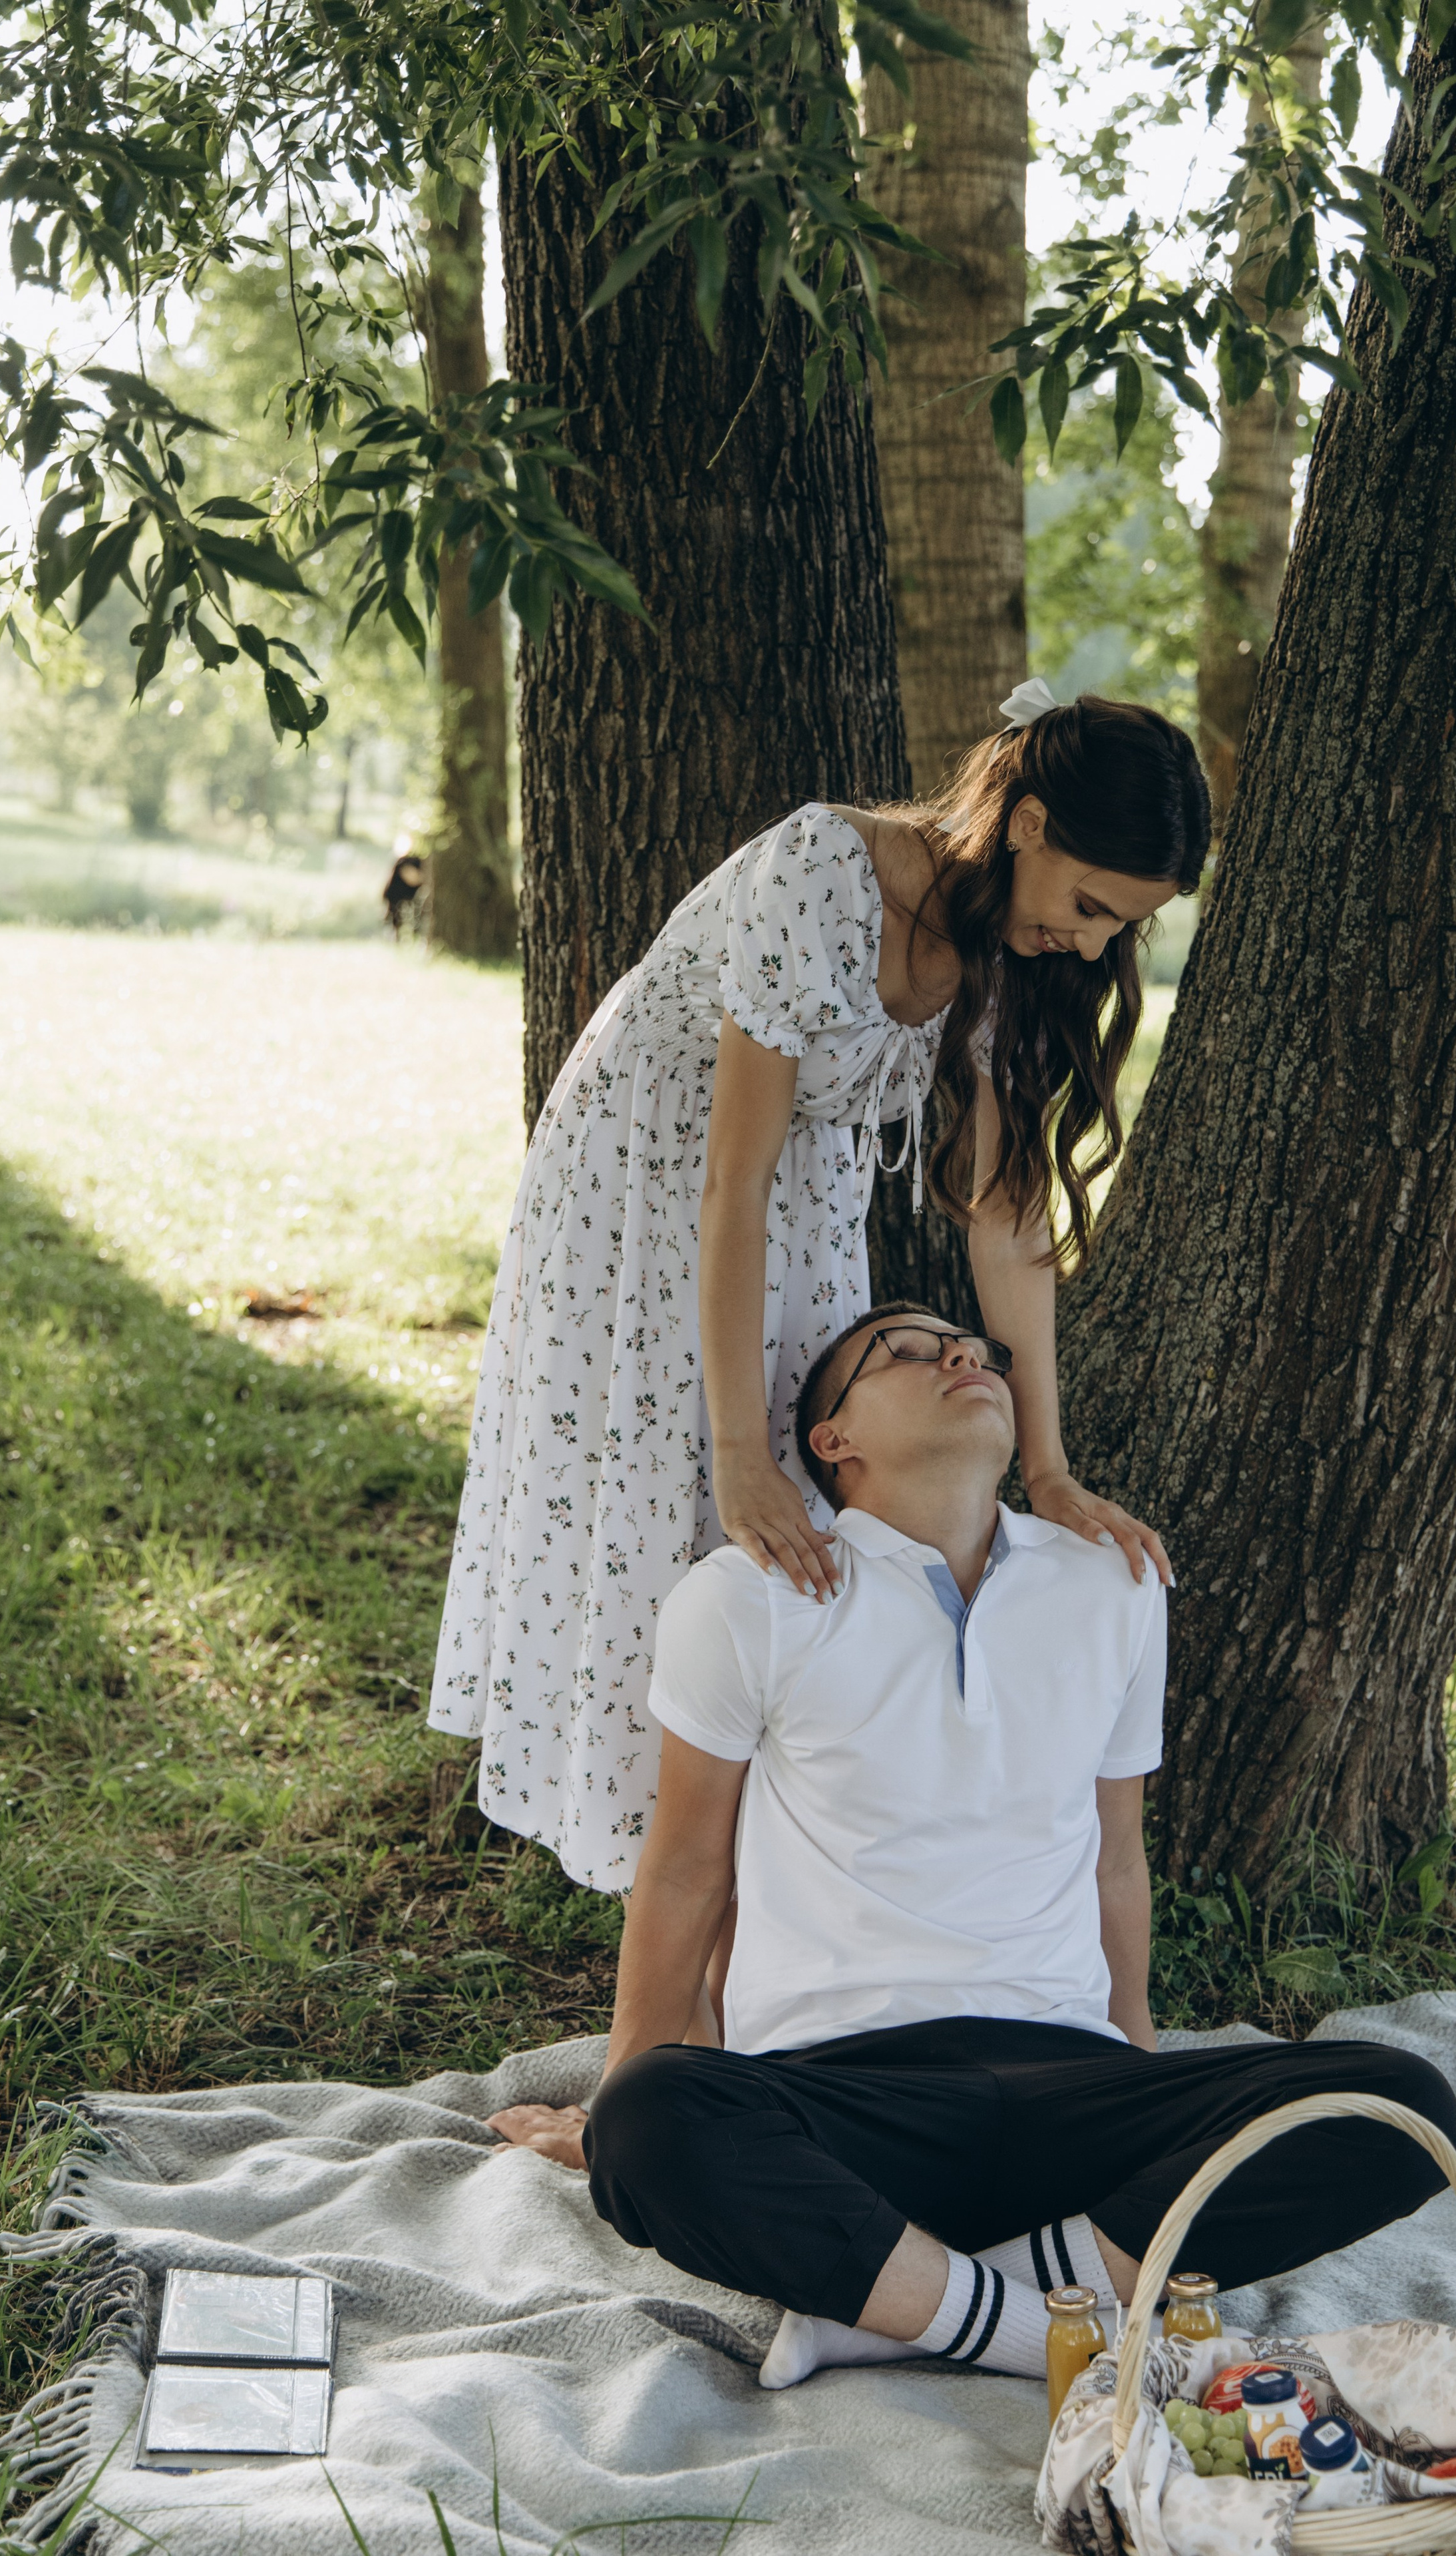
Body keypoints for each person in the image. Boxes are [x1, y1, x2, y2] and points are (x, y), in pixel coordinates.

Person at [489, 1305, 1456, 2388]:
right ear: (833, 1441)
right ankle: (1043, 2326)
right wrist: (624, 2087)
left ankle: (910, 2313)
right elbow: (682, 1872)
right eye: (905, 1352)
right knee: (653, 2122)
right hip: (845, 2100)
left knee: (1403, 2102)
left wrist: (1138, 2073)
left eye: (978, 1347)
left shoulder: (1116, 1581)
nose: (962, 1356)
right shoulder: (749, 1597)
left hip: (1071, 2086)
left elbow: (1115, 1860)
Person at [428, 681, 1210, 1895]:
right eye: (1094, 906)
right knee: (681, 1506)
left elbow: (1007, 1223)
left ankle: (765, 1917)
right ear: (1029, 823)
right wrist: (740, 1445)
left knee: (799, 1523)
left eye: (1128, 927)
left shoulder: (1009, 952)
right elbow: (726, 1182)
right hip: (648, 1192)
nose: (1098, 944)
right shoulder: (822, 871)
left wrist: (1047, 1470)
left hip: (791, 1213)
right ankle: (666, 1903)